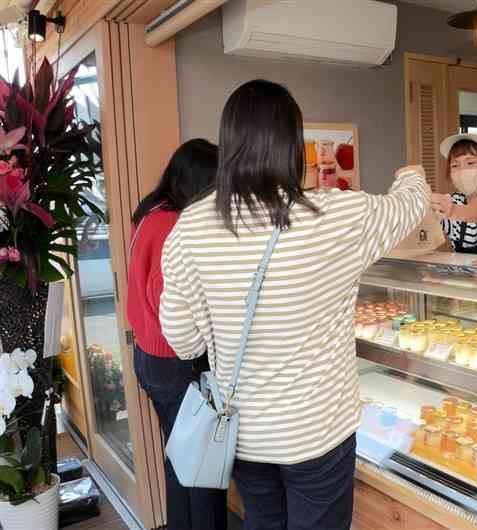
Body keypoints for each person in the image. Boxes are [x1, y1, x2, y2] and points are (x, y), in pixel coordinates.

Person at [159, 80, 430, 530]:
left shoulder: (189, 229)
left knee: (263, 522)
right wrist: (412, 173)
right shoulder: (336, 216)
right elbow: (409, 205)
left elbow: (184, 342)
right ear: (293, 146)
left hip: (244, 433)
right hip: (320, 432)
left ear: (229, 145)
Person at [126, 138, 227, 530]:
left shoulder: (151, 213)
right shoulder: (173, 225)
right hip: (174, 361)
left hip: (149, 357)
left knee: (181, 457)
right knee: (203, 469)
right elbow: (169, 300)